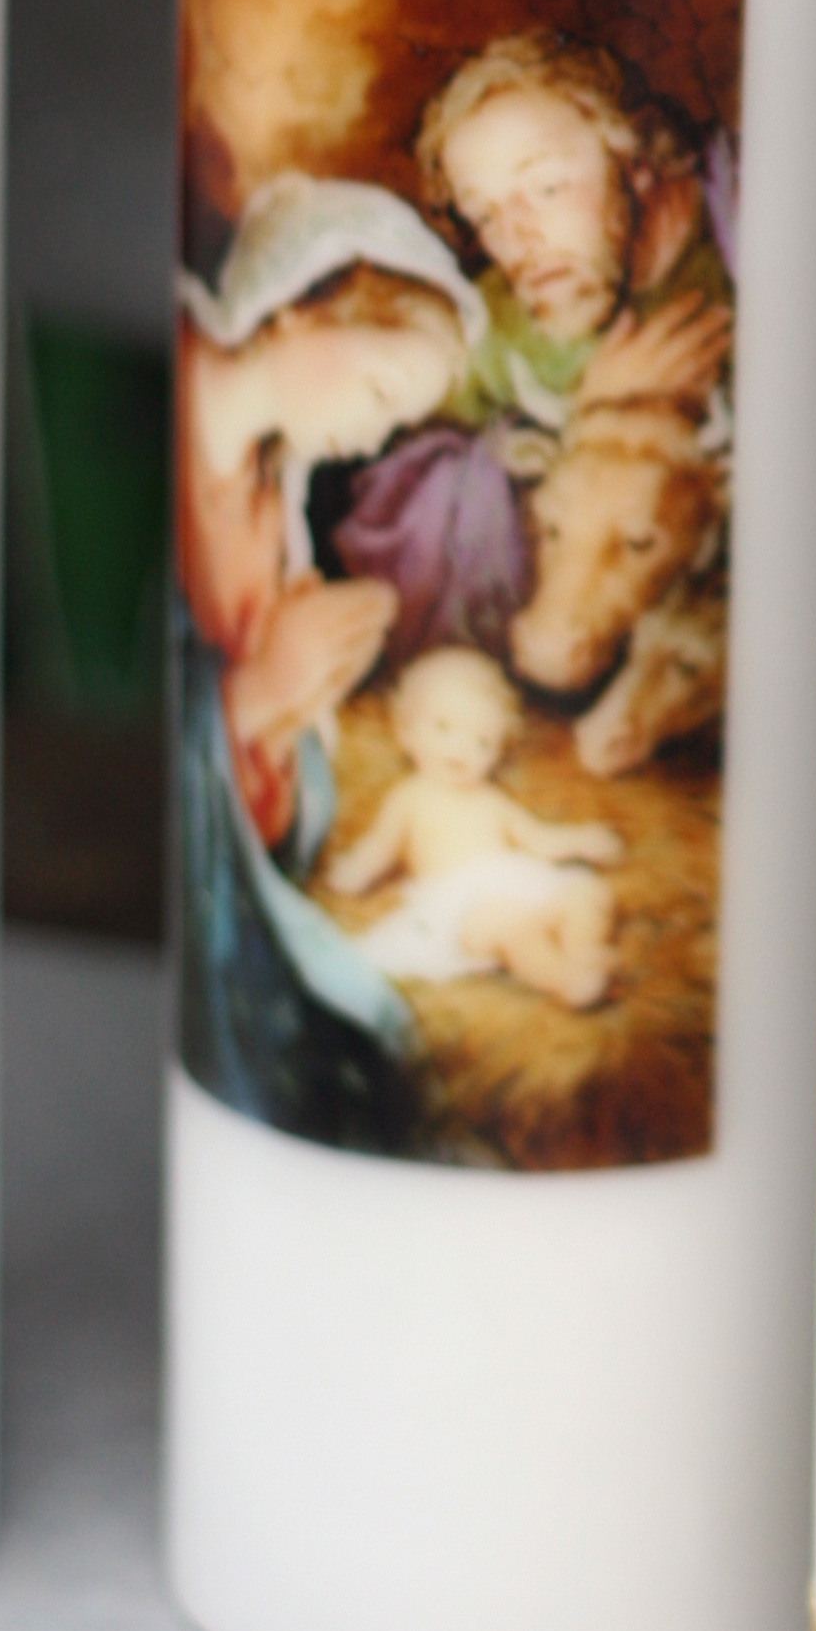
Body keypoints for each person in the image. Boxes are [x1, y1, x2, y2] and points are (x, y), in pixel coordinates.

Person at [174, 177, 483, 1148]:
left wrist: (295, 692)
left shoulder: (271, 487)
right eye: (382, 391)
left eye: (397, 421)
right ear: (303, 302)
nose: (375, 433)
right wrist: (256, 694)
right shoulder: (181, 429)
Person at [331, 31, 734, 677]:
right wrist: (595, 416)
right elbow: (401, 487)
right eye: (485, 214)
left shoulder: (748, 235)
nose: (518, 239)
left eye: (546, 187)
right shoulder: (496, 327)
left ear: (636, 160)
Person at [322, 644, 622, 1009]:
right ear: (405, 732)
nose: (461, 748)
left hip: (517, 881)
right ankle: (565, 980)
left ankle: (584, 954)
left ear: (497, 753)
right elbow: (378, 846)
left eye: (481, 741)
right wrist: (353, 871)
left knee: (588, 891)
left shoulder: (491, 799)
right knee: (512, 926)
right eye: (444, 727)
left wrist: (581, 840)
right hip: (461, 906)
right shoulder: (410, 796)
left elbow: (538, 838)